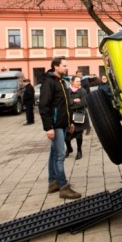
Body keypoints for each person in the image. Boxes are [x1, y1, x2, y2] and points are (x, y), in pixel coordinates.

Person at [39, 56, 81, 199]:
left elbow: (65, 105)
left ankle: (53, 183)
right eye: (63, 65)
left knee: (54, 153)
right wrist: (48, 127)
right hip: (55, 125)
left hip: (63, 123)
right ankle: (63, 187)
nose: (66, 67)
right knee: (60, 155)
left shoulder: (62, 81)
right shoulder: (49, 82)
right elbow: (44, 106)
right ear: (55, 66)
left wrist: (70, 122)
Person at [65, 75, 87, 160]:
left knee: (78, 134)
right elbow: (64, 102)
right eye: (77, 81)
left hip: (79, 113)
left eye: (80, 81)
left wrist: (70, 106)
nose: (79, 83)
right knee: (67, 134)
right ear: (72, 82)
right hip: (68, 115)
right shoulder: (67, 91)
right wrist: (73, 101)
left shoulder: (83, 91)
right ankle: (69, 148)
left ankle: (79, 150)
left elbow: (82, 103)